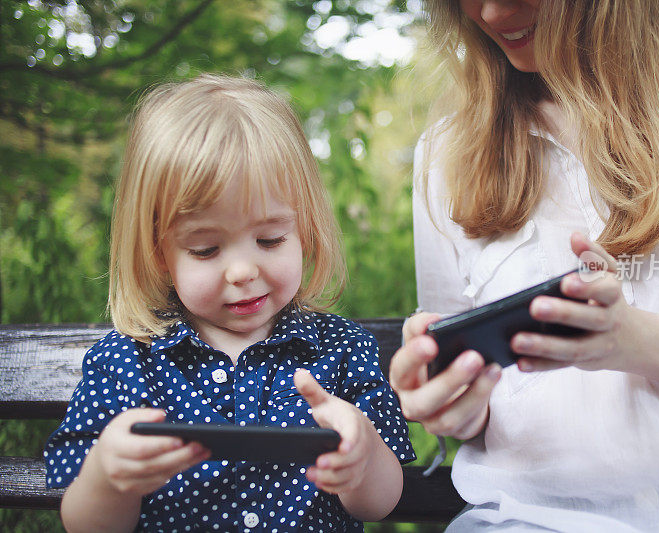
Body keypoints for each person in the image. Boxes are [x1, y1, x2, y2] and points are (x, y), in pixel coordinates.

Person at [390, 0, 659, 531]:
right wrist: (456, 407)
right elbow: (471, 399)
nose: (491, 12)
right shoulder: (446, 154)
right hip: (531, 518)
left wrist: (632, 341)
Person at [44, 74, 414, 532]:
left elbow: (379, 503)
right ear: (160, 254)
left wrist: (362, 458)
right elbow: (86, 524)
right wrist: (107, 475)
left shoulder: (340, 349)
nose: (242, 271)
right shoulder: (126, 362)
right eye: (205, 249)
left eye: (270, 239)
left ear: (305, 230)